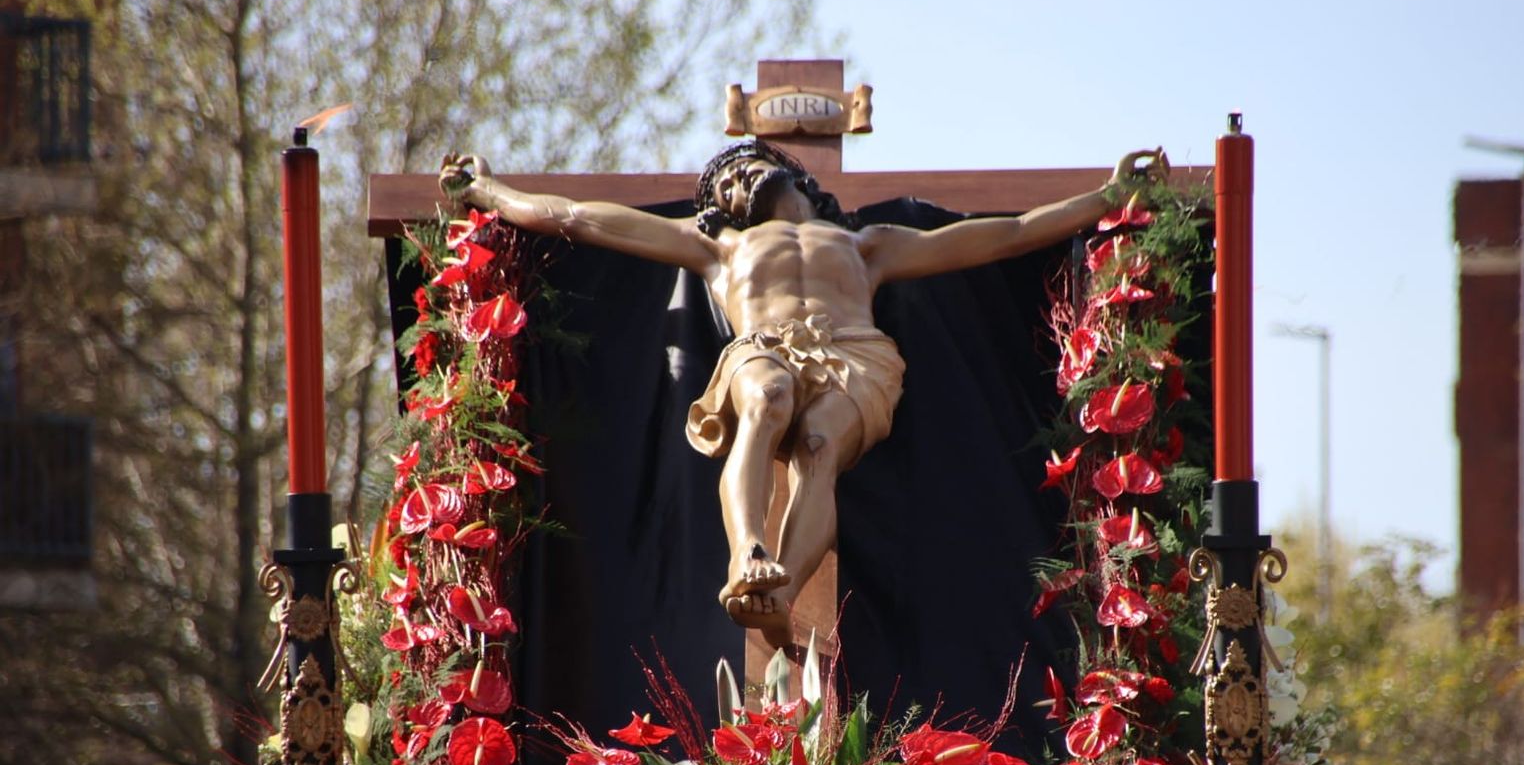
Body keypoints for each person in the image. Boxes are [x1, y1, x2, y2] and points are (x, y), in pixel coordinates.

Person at [439, 141, 1166, 646]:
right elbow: (576, 217)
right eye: (727, 182)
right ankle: (747, 552)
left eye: (751, 167)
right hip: (765, 346)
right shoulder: (718, 246)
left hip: (855, 353)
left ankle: (780, 595)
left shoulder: (869, 245)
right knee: (764, 400)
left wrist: (1111, 194)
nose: (738, 180)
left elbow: (1007, 233)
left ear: (796, 178)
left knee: (819, 445)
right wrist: (490, 192)